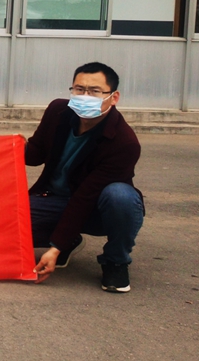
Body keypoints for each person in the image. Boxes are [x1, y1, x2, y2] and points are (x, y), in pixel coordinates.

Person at [27, 61, 144, 293]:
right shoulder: (58, 111)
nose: (85, 96)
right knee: (6, 222)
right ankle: (70, 241)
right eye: (79, 89)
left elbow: (85, 197)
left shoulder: (124, 142)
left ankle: (116, 261)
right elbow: (35, 153)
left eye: (94, 91)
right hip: (54, 200)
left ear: (113, 97)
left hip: (98, 209)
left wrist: (55, 248)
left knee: (121, 196)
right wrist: (3, 148)